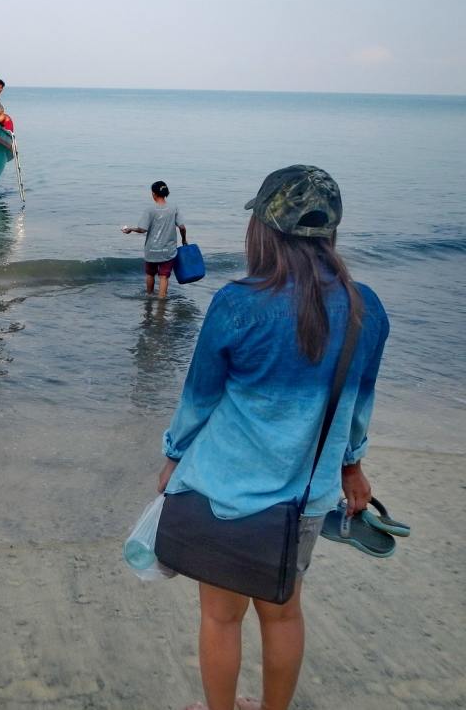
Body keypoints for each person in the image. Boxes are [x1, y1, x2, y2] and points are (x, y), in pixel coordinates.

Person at [156, 166, 389, 710]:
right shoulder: (366, 309)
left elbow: (199, 401)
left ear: (263, 229)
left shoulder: (237, 304)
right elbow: (358, 405)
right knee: (284, 612)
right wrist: (352, 465)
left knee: (219, 617)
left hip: (224, 490)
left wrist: (172, 457)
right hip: (304, 498)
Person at [122, 180, 187, 299]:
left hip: (152, 250)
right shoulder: (174, 208)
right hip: (168, 250)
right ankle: (161, 301)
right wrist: (184, 240)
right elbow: (182, 227)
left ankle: (149, 296)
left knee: (150, 274)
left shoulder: (150, 210)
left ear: (154, 194)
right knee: (164, 277)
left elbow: (142, 229)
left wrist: (130, 229)